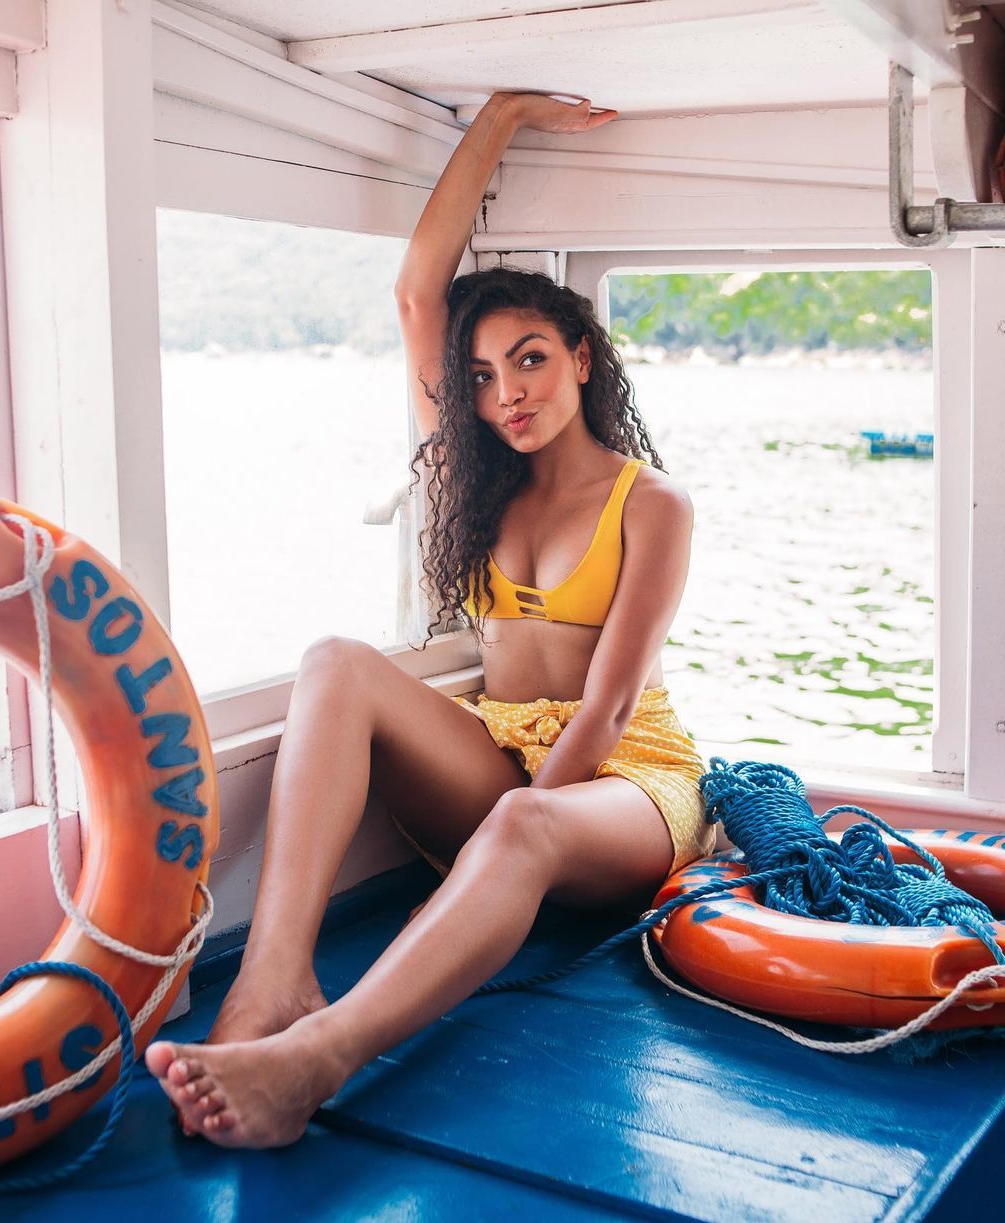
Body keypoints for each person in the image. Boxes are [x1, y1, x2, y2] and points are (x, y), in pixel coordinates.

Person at [145, 89, 716, 1149]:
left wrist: (473, 860)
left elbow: (608, 705)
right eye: (483, 375)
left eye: (531, 358)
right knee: (334, 660)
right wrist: (502, 114)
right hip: (503, 755)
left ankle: (318, 1059)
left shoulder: (653, 503)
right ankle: (273, 980)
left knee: (525, 822)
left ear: (581, 357)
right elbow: (417, 291)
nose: (507, 393)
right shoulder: (475, 475)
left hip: (625, 780)